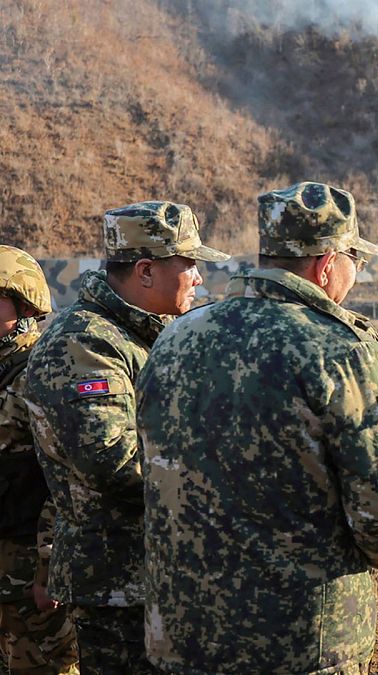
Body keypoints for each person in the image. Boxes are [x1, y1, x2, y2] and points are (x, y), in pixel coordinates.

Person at [135, 182, 378, 673]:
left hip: (184, 633)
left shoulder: (178, 335)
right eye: (357, 258)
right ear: (327, 263)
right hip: (299, 639)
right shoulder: (336, 347)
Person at [23, 201, 228, 673]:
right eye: (190, 264)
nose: (198, 277)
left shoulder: (154, 333)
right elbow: (114, 460)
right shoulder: (85, 343)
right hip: (121, 585)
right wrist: (226, 472)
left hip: (169, 572)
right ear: (146, 271)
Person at [0, 247, 79, 675]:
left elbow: (63, 479)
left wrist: (50, 569)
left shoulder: (41, 371)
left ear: (24, 304)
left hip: (30, 584)